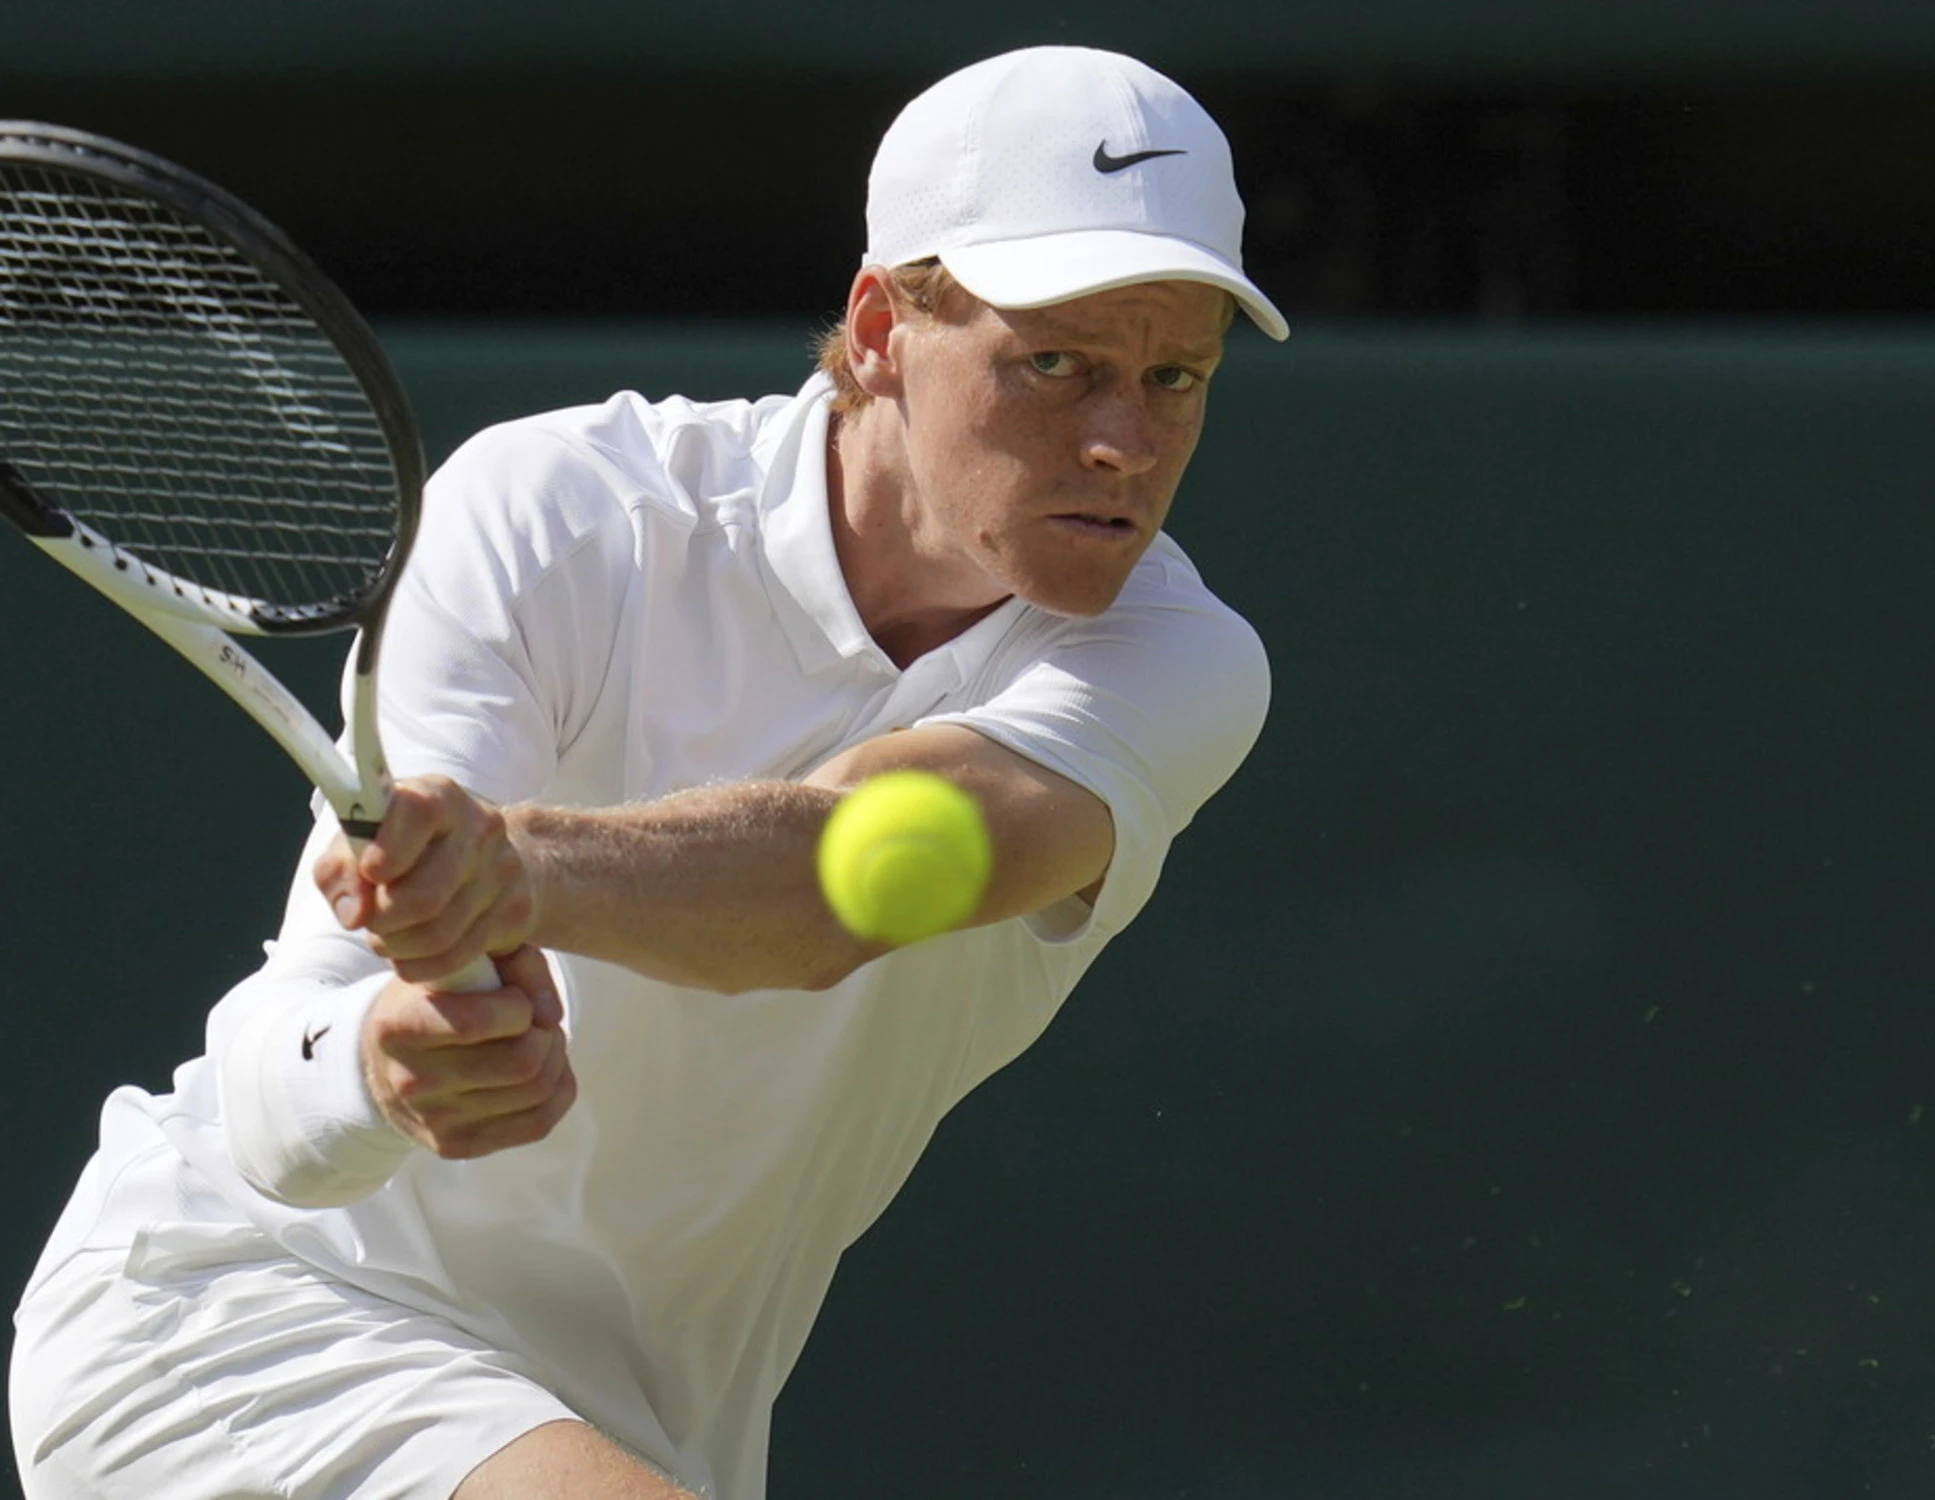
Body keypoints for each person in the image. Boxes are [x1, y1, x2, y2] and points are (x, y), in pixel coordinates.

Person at [9, 43, 1288, 1500]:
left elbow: (845, 877)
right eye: (1051, 361)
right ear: (880, 328)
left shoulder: (1177, 664)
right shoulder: (556, 515)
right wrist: (376, 1071)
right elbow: (287, 1084)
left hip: (647, 1425)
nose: (1123, 440)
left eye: (1174, 377)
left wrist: (521, 864)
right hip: (240, 1329)